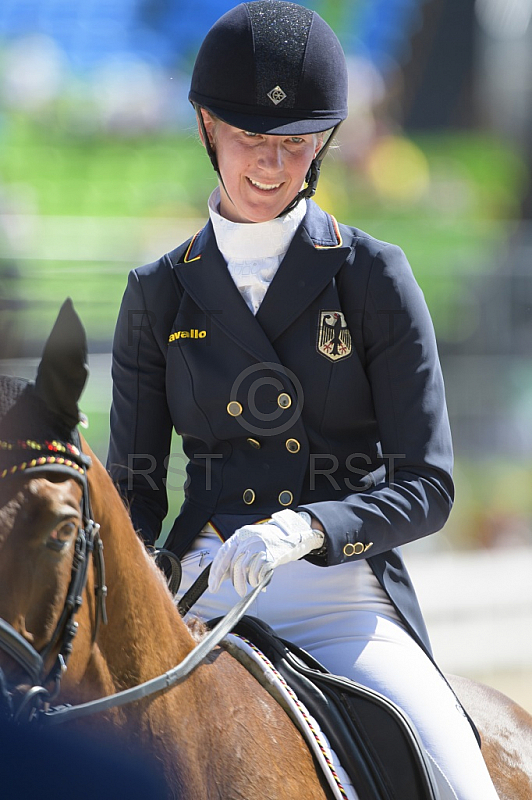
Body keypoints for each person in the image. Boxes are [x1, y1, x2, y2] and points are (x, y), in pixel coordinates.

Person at [108, 2, 500, 798]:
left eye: (294, 143)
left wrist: (308, 527)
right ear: (207, 126)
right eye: (251, 137)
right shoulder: (156, 294)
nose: (269, 166)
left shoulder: (372, 276)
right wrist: (155, 579)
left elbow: (430, 484)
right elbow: (135, 489)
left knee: (462, 780)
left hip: (341, 598)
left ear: (323, 142)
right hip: (201, 588)